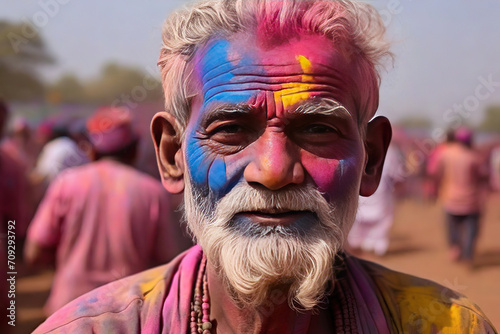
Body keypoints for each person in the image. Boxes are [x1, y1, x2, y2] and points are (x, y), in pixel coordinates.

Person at [34, 1, 496, 333]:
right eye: (231, 130)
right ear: (172, 155)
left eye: (317, 130)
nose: (274, 171)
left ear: (372, 158)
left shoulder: (447, 326)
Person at [25, 106, 192, 315]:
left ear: (92, 150)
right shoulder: (152, 193)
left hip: (68, 312)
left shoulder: (66, 184)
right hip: (127, 315)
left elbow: (34, 252)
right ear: (134, 149)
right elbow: (167, 260)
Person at [431, 127, 489, 265]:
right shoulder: (474, 157)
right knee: (471, 228)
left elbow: (435, 172)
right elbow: (483, 176)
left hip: (451, 198)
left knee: (452, 226)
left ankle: (454, 248)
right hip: (471, 200)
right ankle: (468, 254)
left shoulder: (446, 154)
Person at [347, 143, 404, 256]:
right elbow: (397, 174)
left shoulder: (356, 147)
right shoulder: (390, 151)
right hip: (376, 191)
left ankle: (365, 244)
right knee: (377, 217)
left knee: (360, 216)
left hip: (368, 190)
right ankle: (375, 246)